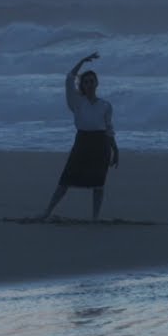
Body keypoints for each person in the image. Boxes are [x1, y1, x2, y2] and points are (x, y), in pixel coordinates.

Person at [39, 52, 119, 221]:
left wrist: (115, 150)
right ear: (82, 84)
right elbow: (69, 78)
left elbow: (109, 129)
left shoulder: (105, 105)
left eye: (92, 81)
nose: (89, 84)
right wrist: (82, 61)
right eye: (86, 81)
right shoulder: (76, 101)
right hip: (82, 142)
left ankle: (95, 218)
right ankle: (47, 212)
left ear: (97, 84)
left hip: (101, 145)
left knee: (99, 184)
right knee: (66, 180)